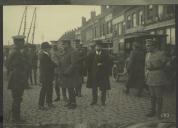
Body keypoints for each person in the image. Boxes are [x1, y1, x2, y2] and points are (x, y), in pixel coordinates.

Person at [6, 35, 28, 123]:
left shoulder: (18, 51)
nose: (23, 43)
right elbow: (7, 64)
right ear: (17, 42)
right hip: (16, 78)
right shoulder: (15, 52)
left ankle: (16, 117)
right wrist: (15, 71)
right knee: (17, 98)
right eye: (22, 42)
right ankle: (15, 118)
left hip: (19, 78)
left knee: (18, 98)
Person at [145, 39, 168, 119]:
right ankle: (152, 111)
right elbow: (146, 66)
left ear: (154, 46)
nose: (147, 47)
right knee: (152, 96)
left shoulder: (161, 54)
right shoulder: (147, 54)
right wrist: (146, 74)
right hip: (150, 76)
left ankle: (159, 112)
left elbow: (166, 64)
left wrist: (158, 67)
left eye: (148, 45)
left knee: (158, 96)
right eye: (146, 45)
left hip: (158, 76)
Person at [86, 40, 111, 106]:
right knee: (94, 88)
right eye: (97, 46)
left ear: (101, 47)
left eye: (100, 46)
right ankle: (94, 101)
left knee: (103, 89)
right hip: (94, 74)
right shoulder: (91, 54)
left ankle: (103, 101)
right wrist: (90, 72)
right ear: (95, 47)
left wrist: (102, 64)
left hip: (103, 74)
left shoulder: (105, 53)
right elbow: (88, 64)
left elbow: (109, 63)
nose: (98, 47)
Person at [60, 39, 80, 109]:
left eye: (63, 44)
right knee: (69, 87)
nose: (62, 46)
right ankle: (70, 101)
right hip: (66, 73)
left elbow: (73, 63)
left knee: (71, 88)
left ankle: (73, 103)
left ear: (67, 44)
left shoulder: (73, 51)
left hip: (71, 73)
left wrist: (67, 72)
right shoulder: (66, 51)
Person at [38, 42, 57, 110]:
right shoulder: (44, 56)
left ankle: (49, 102)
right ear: (45, 48)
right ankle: (41, 105)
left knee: (49, 90)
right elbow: (47, 66)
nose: (50, 49)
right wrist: (54, 65)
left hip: (47, 76)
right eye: (49, 48)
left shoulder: (46, 55)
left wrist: (55, 64)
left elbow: (50, 63)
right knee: (44, 90)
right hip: (46, 76)